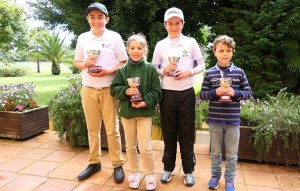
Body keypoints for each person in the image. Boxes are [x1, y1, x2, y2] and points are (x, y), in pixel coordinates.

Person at [74, 2, 127, 182]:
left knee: (112, 129)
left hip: (108, 89)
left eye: (100, 17)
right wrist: (85, 64)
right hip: (88, 88)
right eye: (92, 17)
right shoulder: (82, 38)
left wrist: (108, 71)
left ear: (106, 19)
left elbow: (123, 62)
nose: (96, 21)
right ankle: (94, 162)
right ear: (87, 19)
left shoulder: (115, 37)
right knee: (92, 129)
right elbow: (77, 62)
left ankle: (117, 164)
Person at [152, 7, 205, 186]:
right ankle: (168, 168)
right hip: (167, 94)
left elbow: (201, 64)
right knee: (169, 132)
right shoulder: (160, 45)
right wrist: (163, 71)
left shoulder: (190, 42)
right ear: (165, 25)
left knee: (186, 133)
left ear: (182, 24)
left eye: (177, 23)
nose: (174, 26)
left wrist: (189, 71)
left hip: (186, 93)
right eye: (170, 23)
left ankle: (189, 170)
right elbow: (154, 69)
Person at [199, 35, 252, 191]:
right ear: (215, 52)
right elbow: (202, 94)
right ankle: (215, 176)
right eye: (221, 50)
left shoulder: (239, 73)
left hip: (233, 121)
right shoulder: (209, 73)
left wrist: (234, 93)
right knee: (215, 152)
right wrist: (215, 91)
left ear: (232, 52)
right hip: (215, 120)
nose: (225, 54)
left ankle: (229, 180)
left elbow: (248, 93)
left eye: (228, 50)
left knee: (232, 154)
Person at [110, 33, 162, 190]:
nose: (136, 51)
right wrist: (126, 91)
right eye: (132, 48)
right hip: (127, 114)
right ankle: (134, 173)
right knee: (131, 146)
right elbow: (114, 89)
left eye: (139, 48)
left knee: (145, 147)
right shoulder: (123, 70)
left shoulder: (151, 69)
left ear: (145, 49)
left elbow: (157, 91)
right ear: (127, 50)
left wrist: (145, 102)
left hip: (144, 114)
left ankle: (150, 174)